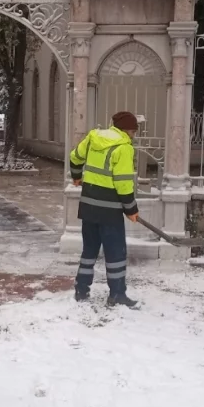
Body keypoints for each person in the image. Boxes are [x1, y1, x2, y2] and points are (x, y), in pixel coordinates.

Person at [69, 111, 140, 308]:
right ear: (127, 130)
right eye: (133, 131)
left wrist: (76, 175)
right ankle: (117, 294)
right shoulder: (124, 147)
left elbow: (74, 157)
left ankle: (81, 290)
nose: (133, 135)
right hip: (110, 211)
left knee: (89, 250)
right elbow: (123, 183)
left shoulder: (93, 138)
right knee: (116, 254)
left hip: (89, 207)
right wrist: (131, 209)